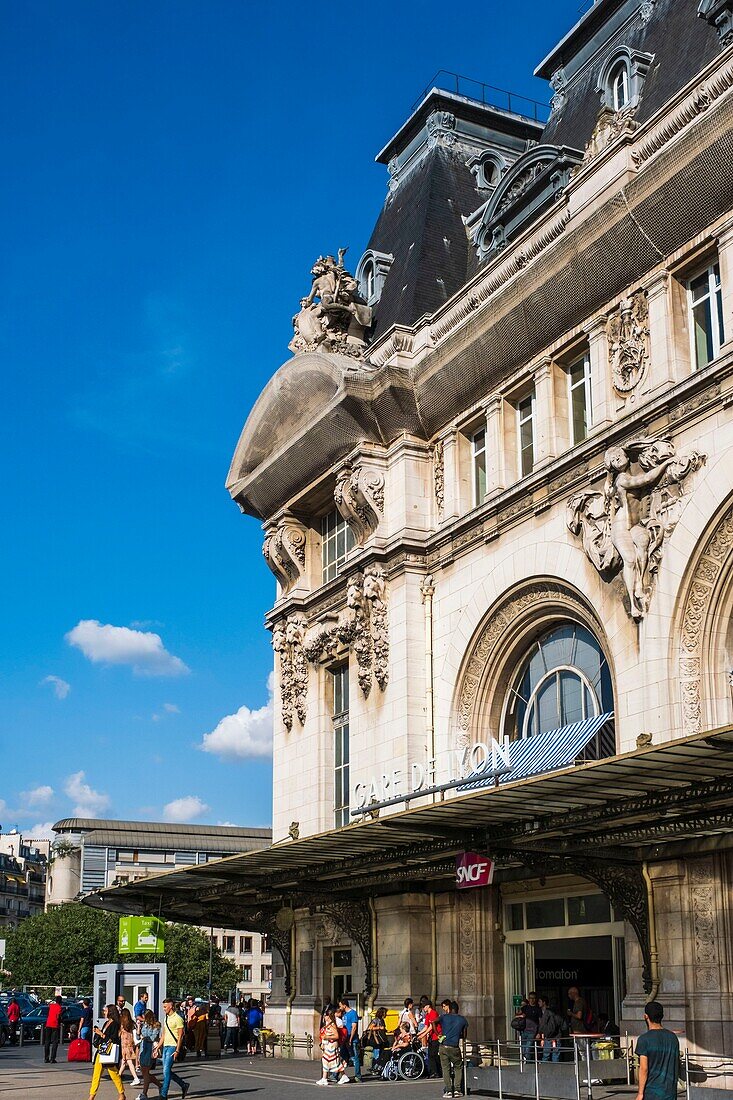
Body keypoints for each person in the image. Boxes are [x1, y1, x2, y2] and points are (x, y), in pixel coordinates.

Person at [635, 1001, 680, 1100]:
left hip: (652, 1092)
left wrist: (640, 1093)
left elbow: (643, 1068)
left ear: (645, 1017)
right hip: (670, 1091)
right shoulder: (673, 1038)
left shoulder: (644, 1039)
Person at [154, 996, 190, 1100]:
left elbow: (180, 1037)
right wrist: (157, 1047)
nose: (164, 1008)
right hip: (165, 1046)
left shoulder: (178, 1019)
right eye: (163, 1007)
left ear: (171, 1006)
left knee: (166, 1071)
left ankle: (163, 1095)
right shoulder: (166, 1018)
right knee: (167, 1071)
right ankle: (183, 1085)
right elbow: (164, 1035)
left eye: (165, 1007)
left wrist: (177, 1050)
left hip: (173, 1047)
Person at [89, 1004, 126, 1100]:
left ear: (110, 1012)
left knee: (113, 1073)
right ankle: (92, 1095)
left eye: (105, 1011)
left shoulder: (115, 1024)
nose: (104, 1012)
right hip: (102, 1050)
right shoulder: (106, 1023)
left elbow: (113, 1039)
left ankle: (121, 1093)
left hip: (109, 1051)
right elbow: (104, 1035)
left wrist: (101, 1034)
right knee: (96, 1074)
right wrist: (99, 1032)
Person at [438, 998, 468, 1099]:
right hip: (454, 1047)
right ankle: (457, 1089)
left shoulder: (444, 1017)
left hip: (443, 1046)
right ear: (458, 1009)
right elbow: (464, 1035)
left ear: (450, 1009)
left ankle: (448, 1090)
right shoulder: (462, 1019)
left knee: (445, 1068)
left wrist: (438, 1034)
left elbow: (433, 1022)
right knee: (458, 1067)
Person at [318, 1008, 347, 1086]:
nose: (324, 1017)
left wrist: (326, 1037)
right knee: (328, 1061)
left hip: (332, 1046)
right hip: (328, 1045)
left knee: (333, 1062)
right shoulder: (328, 1024)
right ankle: (325, 1078)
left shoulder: (332, 1025)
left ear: (329, 1016)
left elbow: (336, 1036)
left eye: (325, 1015)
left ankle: (342, 1076)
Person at [138, 1009, 163, 1100]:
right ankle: (160, 1086)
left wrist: (144, 1037)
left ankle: (144, 1093)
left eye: (144, 1016)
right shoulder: (144, 1025)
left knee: (145, 1073)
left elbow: (152, 1038)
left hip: (150, 1050)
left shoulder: (156, 1025)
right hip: (143, 1049)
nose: (143, 1018)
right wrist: (138, 1028)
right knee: (145, 1072)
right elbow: (138, 1036)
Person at [338, 997, 362, 1083]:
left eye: (340, 1005)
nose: (340, 1007)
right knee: (342, 1056)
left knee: (355, 1058)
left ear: (344, 1005)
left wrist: (351, 1039)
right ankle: (336, 1074)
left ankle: (358, 1076)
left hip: (351, 1039)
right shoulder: (344, 1014)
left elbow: (354, 1027)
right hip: (344, 1039)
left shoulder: (353, 1013)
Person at [418, 998, 441, 1078]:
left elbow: (431, 1027)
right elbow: (426, 1027)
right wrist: (419, 1034)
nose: (423, 1008)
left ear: (428, 1006)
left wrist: (423, 1034)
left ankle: (436, 1072)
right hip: (431, 1038)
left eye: (424, 1006)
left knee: (434, 1055)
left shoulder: (433, 1013)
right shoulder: (427, 1015)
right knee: (430, 1055)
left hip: (436, 1037)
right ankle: (433, 1071)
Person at [117, 1008, 140, 1086]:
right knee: (124, 1061)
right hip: (130, 1044)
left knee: (129, 1062)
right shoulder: (131, 1023)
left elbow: (119, 1035)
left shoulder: (122, 1024)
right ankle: (118, 1076)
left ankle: (136, 1078)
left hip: (124, 1045)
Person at [537, 996, 563, 1063]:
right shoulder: (559, 1012)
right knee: (556, 1055)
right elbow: (563, 1025)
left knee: (546, 1055)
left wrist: (540, 1033)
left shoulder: (547, 1012)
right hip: (557, 1036)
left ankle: (544, 1070)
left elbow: (543, 1024)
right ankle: (556, 1070)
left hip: (548, 1036)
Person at [44, 996, 64, 1064]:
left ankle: (46, 1058)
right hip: (55, 1025)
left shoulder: (51, 1006)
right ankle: (52, 1058)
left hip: (48, 1024)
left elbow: (48, 1005)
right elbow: (58, 1016)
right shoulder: (59, 1007)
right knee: (55, 1042)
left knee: (47, 1041)